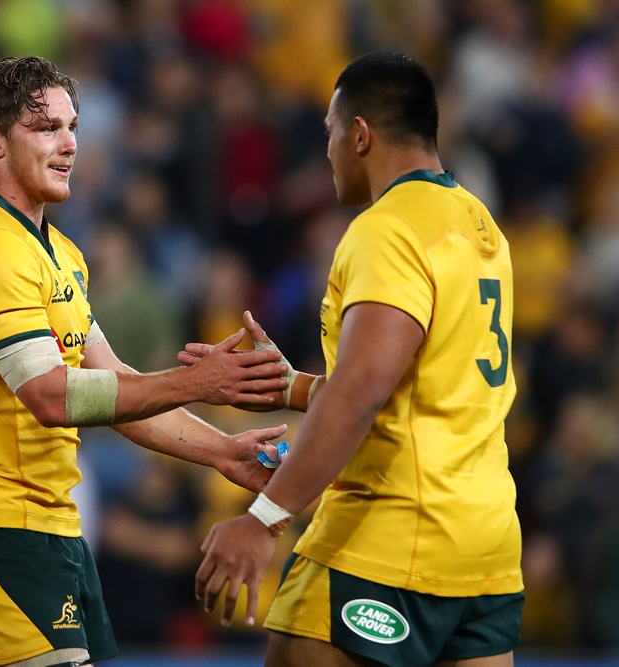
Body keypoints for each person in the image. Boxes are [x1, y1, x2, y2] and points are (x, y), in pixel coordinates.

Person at [0, 56, 289, 667]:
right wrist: (195, 381)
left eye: (73, 127)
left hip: (54, 528)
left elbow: (112, 386)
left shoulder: (59, 252)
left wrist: (222, 450)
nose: (69, 144)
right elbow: (52, 395)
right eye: (47, 128)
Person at [192, 51, 523, 667]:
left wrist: (263, 520)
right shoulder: (481, 227)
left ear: (361, 134)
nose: (327, 152)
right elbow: (420, 391)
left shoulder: (388, 228)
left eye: (330, 133)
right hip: (485, 547)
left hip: (392, 537)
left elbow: (364, 390)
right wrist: (291, 387)